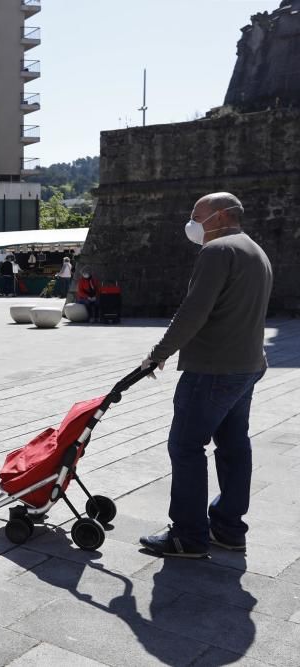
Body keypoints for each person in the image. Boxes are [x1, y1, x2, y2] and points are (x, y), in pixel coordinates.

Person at [139, 192, 273, 559]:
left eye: (197, 215)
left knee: (185, 446)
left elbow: (193, 311)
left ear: (219, 217)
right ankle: (229, 529)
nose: (192, 223)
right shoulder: (255, 251)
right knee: (232, 446)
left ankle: (188, 536)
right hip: (246, 366)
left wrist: (158, 353)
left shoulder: (216, 252)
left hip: (212, 369)